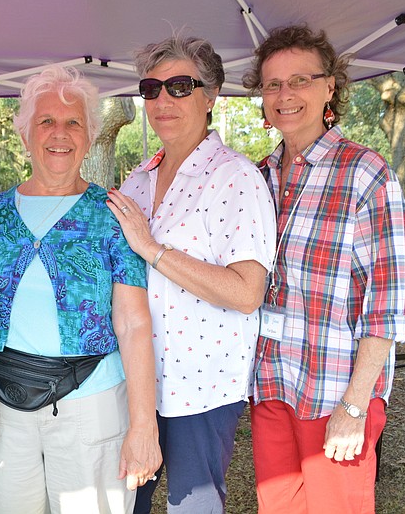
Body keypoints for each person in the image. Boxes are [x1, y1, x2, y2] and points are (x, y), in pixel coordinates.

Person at [0, 65, 161, 514]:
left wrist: (143, 426)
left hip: (91, 406)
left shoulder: (113, 213)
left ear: (90, 136)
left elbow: (133, 323)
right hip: (3, 405)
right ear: (25, 135)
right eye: (46, 121)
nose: (60, 133)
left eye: (73, 122)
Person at [241, 24, 405, 513]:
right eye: (272, 84)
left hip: (335, 389)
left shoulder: (366, 172)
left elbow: (387, 307)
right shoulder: (259, 176)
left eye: (300, 80)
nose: (285, 94)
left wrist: (355, 406)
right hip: (272, 382)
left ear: (330, 86)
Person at [107, 35, 277, 513]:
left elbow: (247, 292)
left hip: (199, 385)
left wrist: (153, 249)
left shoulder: (235, 177)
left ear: (210, 95)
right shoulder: (137, 180)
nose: (164, 100)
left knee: (192, 507)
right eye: (152, 88)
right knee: (122, 503)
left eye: (180, 86)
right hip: (133, 379)